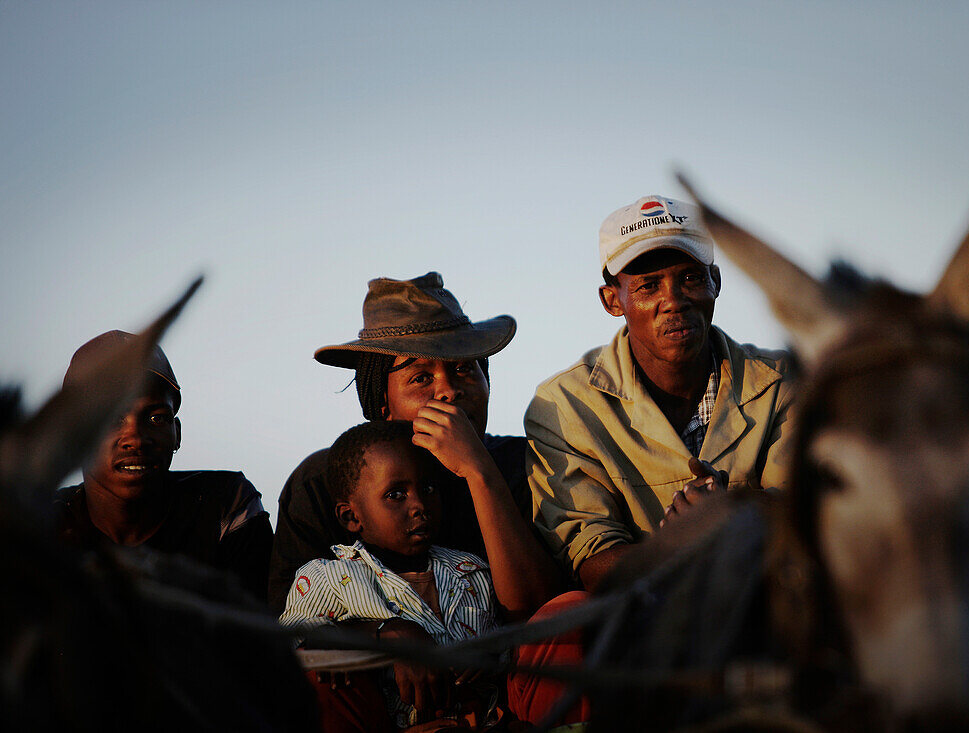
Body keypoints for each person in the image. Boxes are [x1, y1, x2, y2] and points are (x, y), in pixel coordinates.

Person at [525, 195, 797, 591]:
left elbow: (818, 513)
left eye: (690, 277)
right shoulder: (565, 405)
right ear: (612, 300)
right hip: (644, 629)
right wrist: (680, 544)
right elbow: (593, 563)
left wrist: (735, 514)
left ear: (715, 282)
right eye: (648, 286)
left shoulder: (782, 382)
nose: (673, 301)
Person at [269, 272, 559, 617]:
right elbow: (298, 631)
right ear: (382, 406)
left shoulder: (529, 464)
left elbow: (540, 612)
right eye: (421, 377)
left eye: (465, 369)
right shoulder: (325, 481)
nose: (448, 390)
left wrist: (480, 472)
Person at [280, 421, 502, 730]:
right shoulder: (329, 578)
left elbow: (504, 644)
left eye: (428, 489)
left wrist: (488, 663)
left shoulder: (471, 571)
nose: (419, 506)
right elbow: (292, 647)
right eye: (396, 494)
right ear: (351, 516)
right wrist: (384, 634)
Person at [55, 330, 273, 601]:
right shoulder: (41, 525)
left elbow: (256, 633)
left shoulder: (226, 509)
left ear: (177, 433)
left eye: (156, 418)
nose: (135, 439)